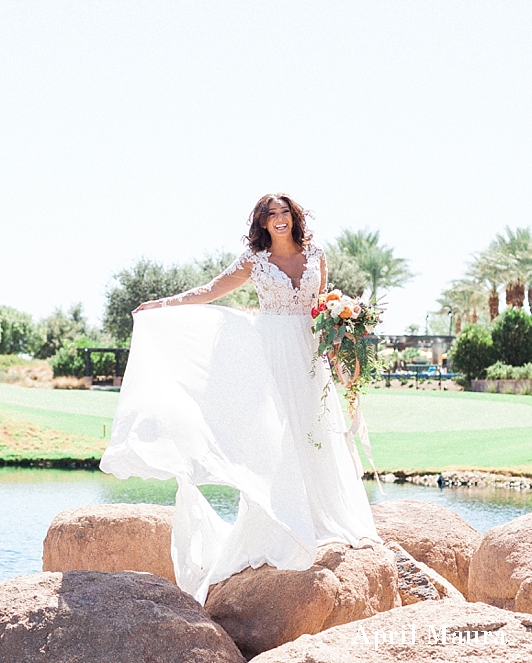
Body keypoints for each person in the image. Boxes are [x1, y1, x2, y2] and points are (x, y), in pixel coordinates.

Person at [99, 193, 379, 604]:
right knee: (277, 439)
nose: (279, 219)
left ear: (294, 218)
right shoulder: (255, 260)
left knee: (315, 430)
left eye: (285, 213)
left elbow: (319, 306)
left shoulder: (316, 254)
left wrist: (344, 326)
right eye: (271, 215)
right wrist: (164, 304)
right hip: (269, 356)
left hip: (307, 356)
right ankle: (279, 524)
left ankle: (326, 518)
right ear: (262, 223)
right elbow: (212, 290)